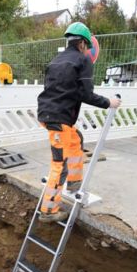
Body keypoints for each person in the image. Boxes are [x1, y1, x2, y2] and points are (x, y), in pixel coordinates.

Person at [37, 21, 121, 223]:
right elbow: (86, 94)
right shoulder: (83, 61)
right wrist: (109, 102)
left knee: (76, 140)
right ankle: (49, 211)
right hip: (59, 120)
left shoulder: (56, 60)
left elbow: (60, 89)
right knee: (59, 164)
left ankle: (74, 183)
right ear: (83, 44)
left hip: (49, 114)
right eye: (87, 46)